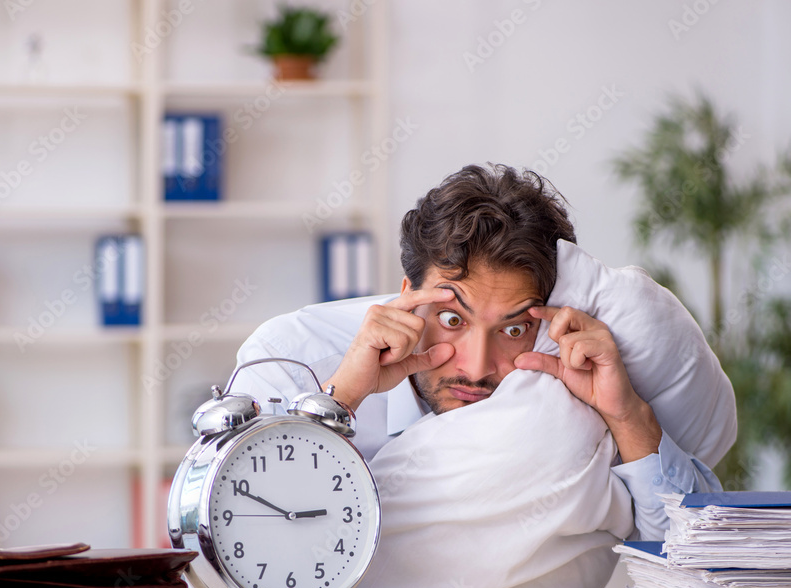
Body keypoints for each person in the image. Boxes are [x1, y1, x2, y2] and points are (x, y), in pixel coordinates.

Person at [231, 163, 734, 542]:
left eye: (512, 329)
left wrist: (626, 415)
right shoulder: (291, 358)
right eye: (452, 320)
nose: (474, 365)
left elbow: (693, 552)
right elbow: (249, 533)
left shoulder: (559, 388)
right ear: (408, 293)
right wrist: (344, 398)